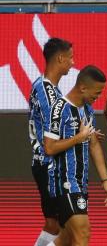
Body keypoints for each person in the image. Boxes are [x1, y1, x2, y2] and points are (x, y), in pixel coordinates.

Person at [44, 65, 107, 246]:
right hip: (64, 182)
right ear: (83, 87)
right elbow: (50, 148)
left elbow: (93, 145)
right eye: (97, 92)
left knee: (66, 239)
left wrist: (105, 181)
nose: (98, 97)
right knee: (83, 233)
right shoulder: (59, 109)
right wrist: (78, 138)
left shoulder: (87, 109)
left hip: (80, 183)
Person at [29, 38, 73, 246]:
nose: (73, 63)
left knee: (53, 225)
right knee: (69, 229)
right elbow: (51, 137)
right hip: (49, 166)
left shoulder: (40, 85)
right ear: (60, 58)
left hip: (43, 163)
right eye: (71, 58)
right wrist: (78, 137)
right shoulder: (48, 93)